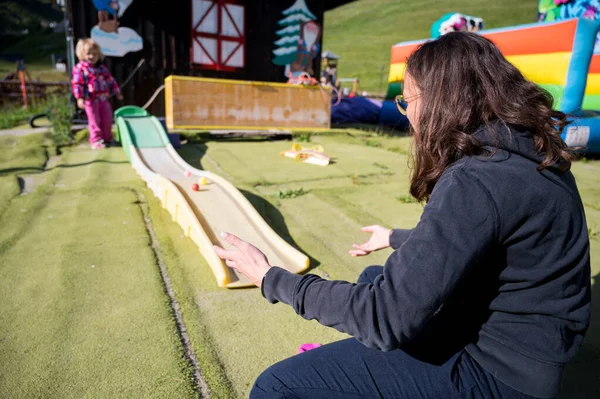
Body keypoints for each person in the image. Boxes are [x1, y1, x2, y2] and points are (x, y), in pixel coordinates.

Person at [213, 32, 591, 399]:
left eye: (407, 101)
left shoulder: (478, 178)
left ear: (441, 101)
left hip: (497, 373)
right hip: (535, 355)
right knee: (373, 277)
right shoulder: (532, 154)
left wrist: (270, 278)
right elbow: (491, 240)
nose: (407, 114)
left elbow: (384, 318)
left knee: (275, 386)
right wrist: (393, 237)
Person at [72, 38, 122, 149]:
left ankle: (107, 138)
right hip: (90, 99)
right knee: (94, 120)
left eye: (94, 54)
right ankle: (96, 140)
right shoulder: (80, 68)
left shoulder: (101, 68)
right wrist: (79, 98)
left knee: (107, 118)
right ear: (82, 54)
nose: (92, 57)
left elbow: (110, 80)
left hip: (103, 98)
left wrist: (116, 91)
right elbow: (77, 83)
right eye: (88, 54)